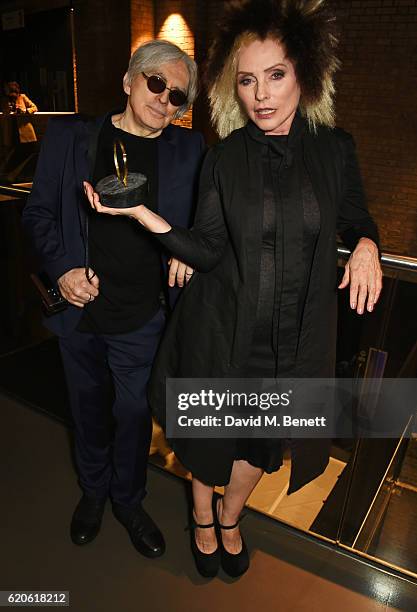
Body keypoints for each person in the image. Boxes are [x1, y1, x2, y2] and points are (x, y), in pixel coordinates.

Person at [84, 0, 383, 577]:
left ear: (305, 74)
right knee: (209, 441)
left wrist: (368, 244)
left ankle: (230, 515)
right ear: (233, 88)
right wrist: (143, 214)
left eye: (276, 75)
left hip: (292, 345)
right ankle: (203, 514)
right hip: (223, 332)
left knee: (261, 448)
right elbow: (208, 248)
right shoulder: (224, 160)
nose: (261, 95)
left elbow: (357, 218)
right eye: (247, 80)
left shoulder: (334, 149)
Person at [22, 40, 205, 558]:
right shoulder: (70, 138)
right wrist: (61, 273)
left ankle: (128, 500)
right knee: (86, 412)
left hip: (143, 318)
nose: (165, 100)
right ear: (129, 80)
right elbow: (37, 215)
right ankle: (93, 492)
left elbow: (208, 223)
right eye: (156, 84)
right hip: (79, 315)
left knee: (130, 416)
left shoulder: (190, 151)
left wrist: (189, 249)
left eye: (178, 97)